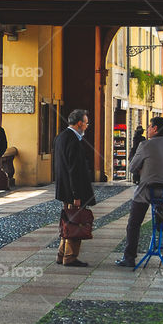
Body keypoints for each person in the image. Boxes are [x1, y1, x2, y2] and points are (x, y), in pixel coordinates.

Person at [116, 116, 163, 268]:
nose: (148, 130)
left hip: (146, 190)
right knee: (160, 218)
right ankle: (161, 234)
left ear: (155, 128)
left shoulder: (145, 145)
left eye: (149, 127)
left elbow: (131, 168)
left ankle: (129, 257)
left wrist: (142, 168)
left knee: (134, 223)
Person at [54, 109, 97, 267]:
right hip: (72, 191)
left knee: (67, 222)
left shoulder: (61, 137)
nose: (86, 126)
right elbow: (74, 171)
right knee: (75, 223)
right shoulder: (72, 140)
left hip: (64, 190)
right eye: (86, 123)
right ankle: (70, 256)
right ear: (79, 123)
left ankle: (61, 253)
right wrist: (76, 195)